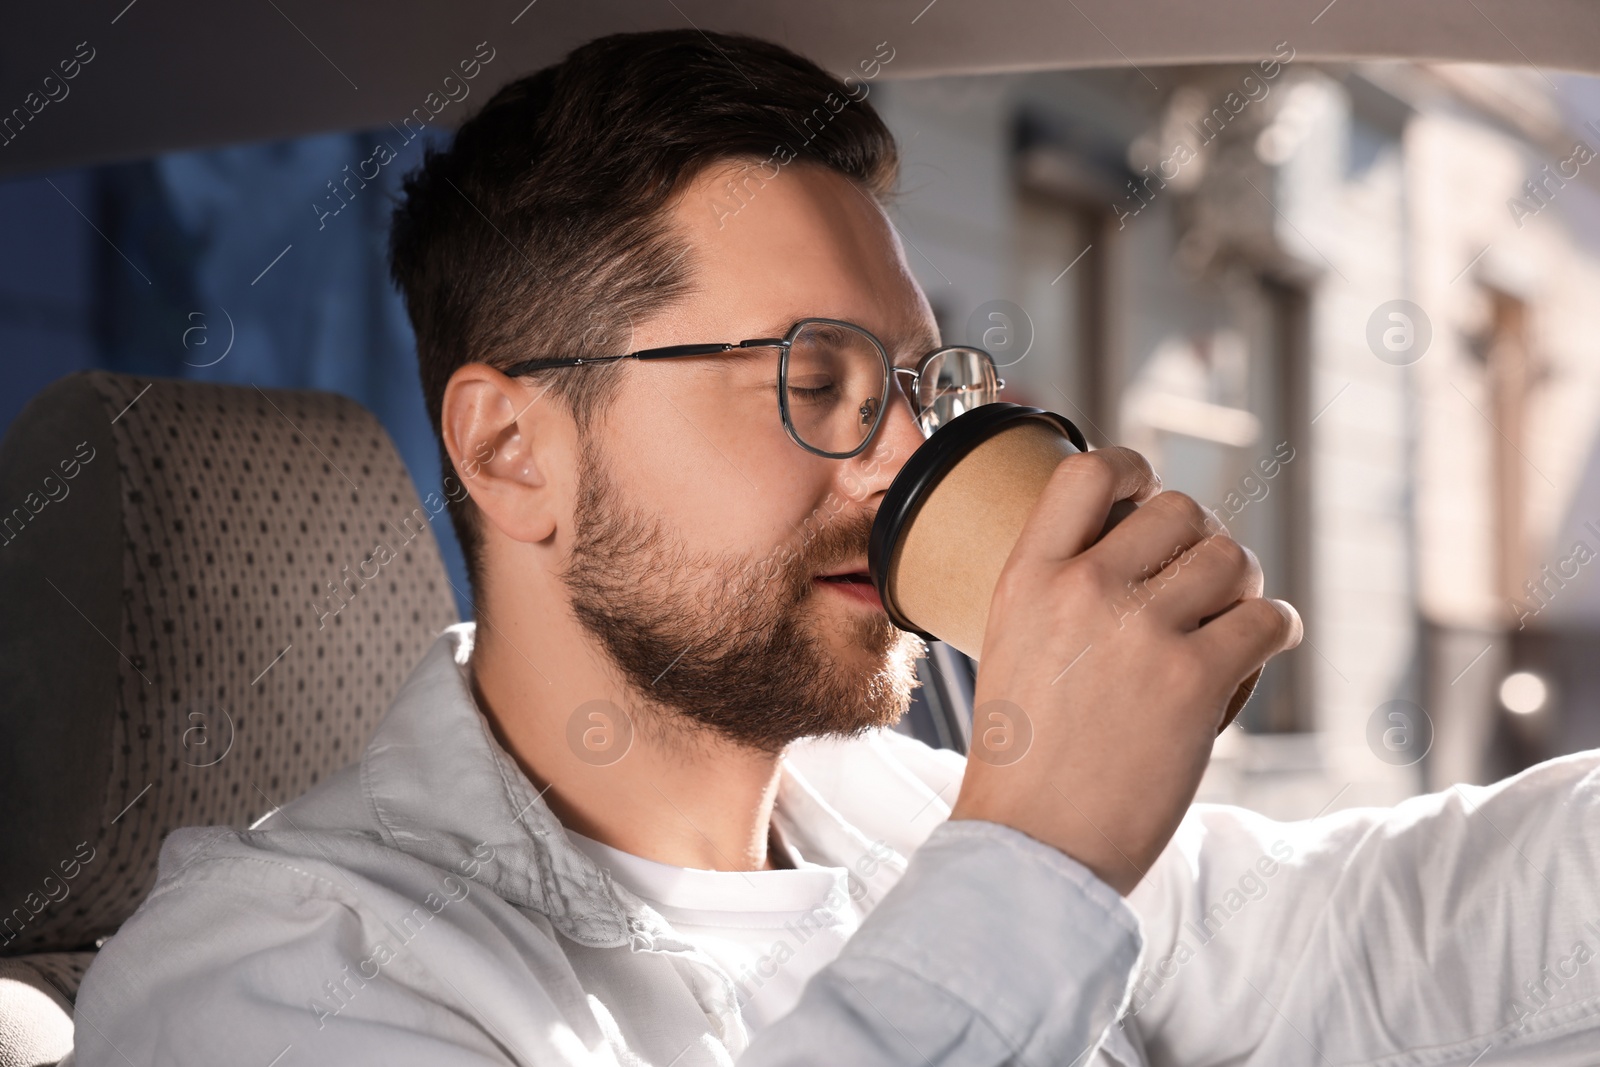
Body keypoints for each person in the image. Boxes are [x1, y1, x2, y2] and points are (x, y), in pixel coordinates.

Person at [72, 29, 1600, 1067]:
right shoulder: (268, 978)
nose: (902, 462)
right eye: (816, 382)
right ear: (510, 449)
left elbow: (1384, 944)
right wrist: (1040, 861)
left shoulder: (908, 808)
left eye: (921, 389)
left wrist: (1031, 839)